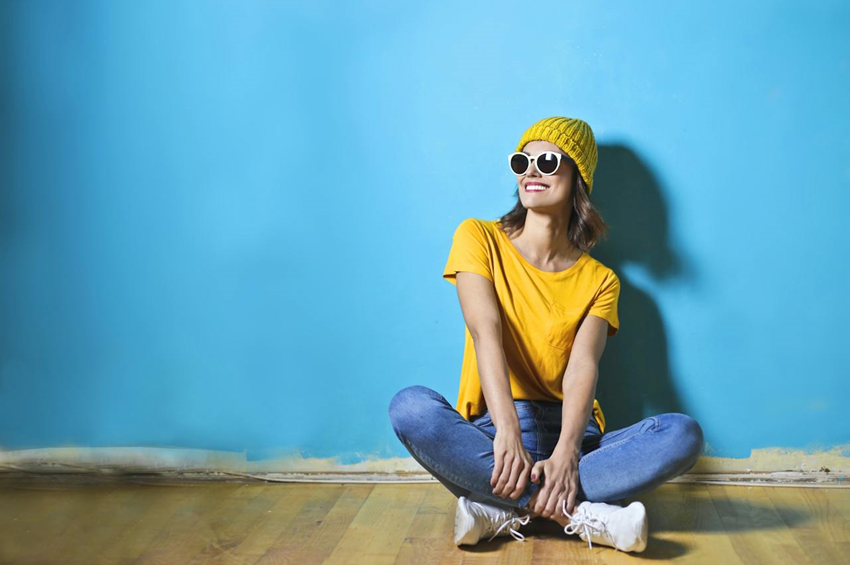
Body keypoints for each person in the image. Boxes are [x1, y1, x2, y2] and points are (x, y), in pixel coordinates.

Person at [388, 116, 704, 553]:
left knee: (682, 434)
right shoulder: (478, 237)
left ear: (578, 177)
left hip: (578, 438)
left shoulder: (600, 281)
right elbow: (486, 334)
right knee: (410, 408)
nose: (530, 172)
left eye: (548, 161)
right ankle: (583, 515)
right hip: (494, 432)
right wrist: (508, 435)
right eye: (522, 161)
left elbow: (582, 368)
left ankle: (504, 509)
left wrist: (568, 454)